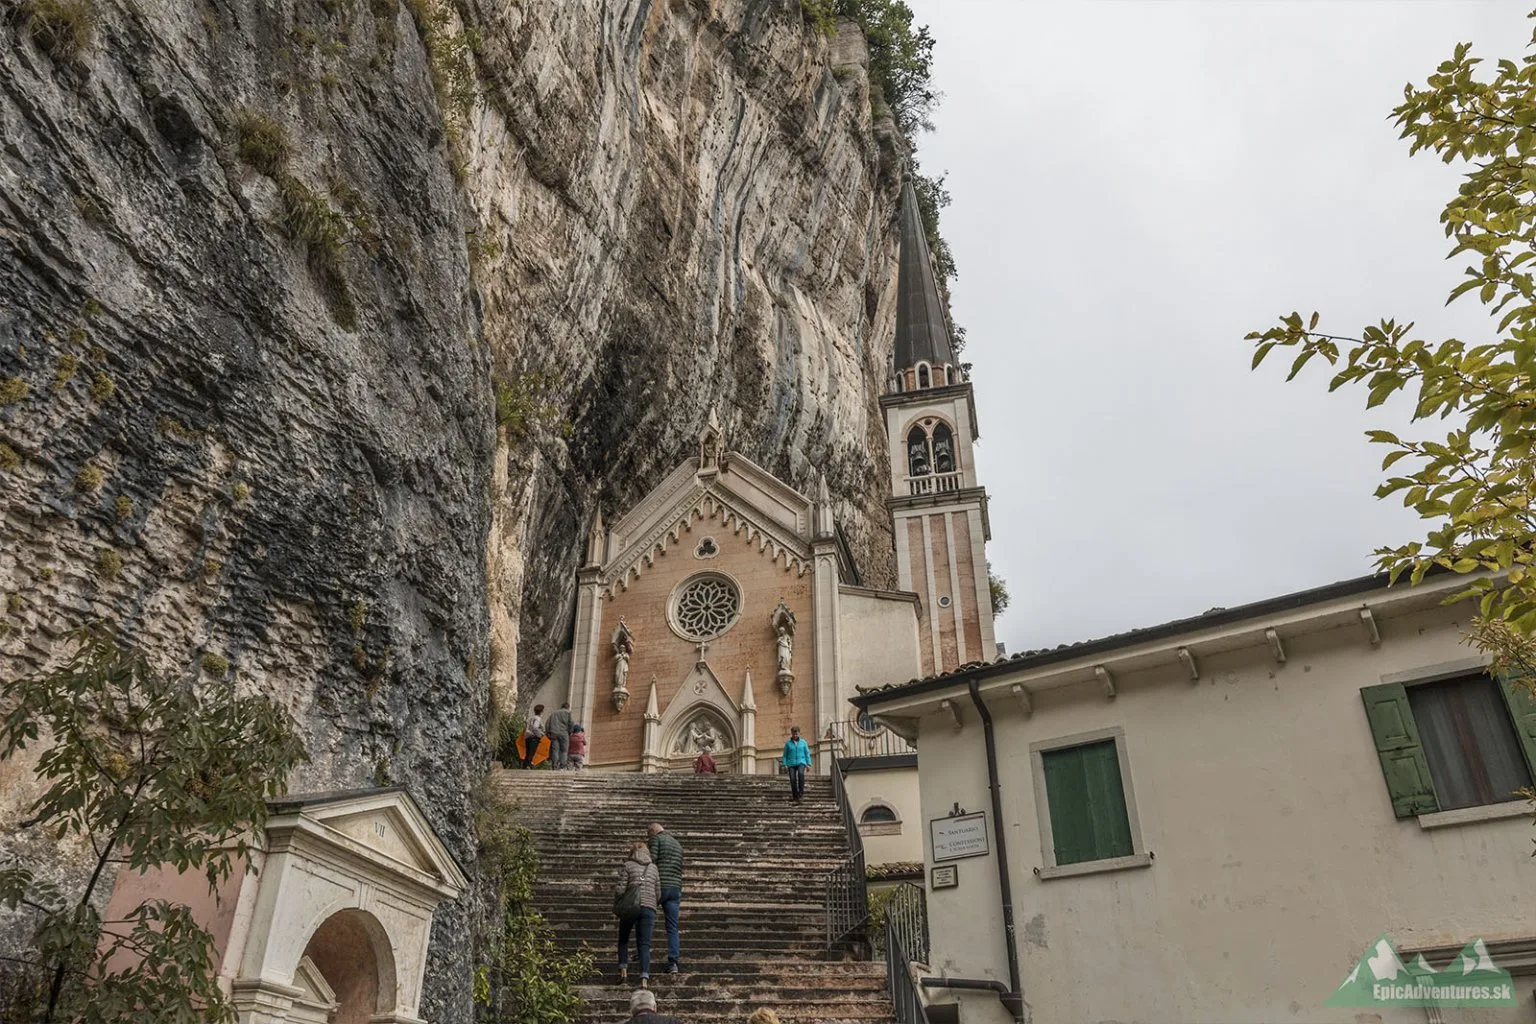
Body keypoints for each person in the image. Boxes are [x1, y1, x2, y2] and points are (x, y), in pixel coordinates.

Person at [615, 840, 659, 986]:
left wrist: (619, 902)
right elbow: (658, 892)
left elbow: (620, 889)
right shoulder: (653, 868)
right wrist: (652, 902)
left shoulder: (628, 865)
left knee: (623, 939)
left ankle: (623, 972)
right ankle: (644, 979)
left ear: (632, 852)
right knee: (644, 944)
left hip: (630, 907)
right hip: (649, 907)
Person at [647, 822, 684, 974]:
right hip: (675, 888)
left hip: (659, 886)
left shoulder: (656, 839)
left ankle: (643, 949)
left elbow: (652, 860)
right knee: (672, 927)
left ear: (652, 832)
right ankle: (673, 963)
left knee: (647, 919)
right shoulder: (677, 844)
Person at [781, 725, 812, 801]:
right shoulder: (788, 744)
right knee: (792, 779)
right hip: (791, 763)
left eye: (796, 734)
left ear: (799, 733)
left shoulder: (803, 742)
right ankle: (795, 795)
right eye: (794, 734)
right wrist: (784, 764)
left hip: (801, 762)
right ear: (791, 734)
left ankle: (801, 794)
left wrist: (808, 764)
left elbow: (807, 753)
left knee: (801, 774)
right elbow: (785, 755)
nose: (795, 735)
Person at [545, 702, 573, 769]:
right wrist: (570, 732)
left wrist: (548, 732)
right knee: (564, 750)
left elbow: (547, 723)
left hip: (554, 733)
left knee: (555, 750)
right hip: (564, 733)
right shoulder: (568, 713)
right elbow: (571, 723)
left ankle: (554, 766)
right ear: (568, 707)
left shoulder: (553, 713)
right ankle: (562, 766)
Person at [520, 704, 545, 769]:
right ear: (541, 712)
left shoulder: (531, 718)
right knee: (532, 752)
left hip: (527, 736)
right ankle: (528, 765)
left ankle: (524, 765)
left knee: (528, 752)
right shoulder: (538, 719)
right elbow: (535, 727)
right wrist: (540, 734)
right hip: (534, 737)